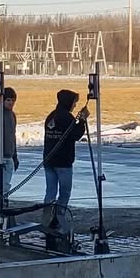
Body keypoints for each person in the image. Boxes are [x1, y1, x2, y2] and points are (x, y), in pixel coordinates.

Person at [41, 89, 88, 243]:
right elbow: (76, 135)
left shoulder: (51, 116)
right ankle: (59, 220)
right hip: (63, 162)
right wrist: (82, 120)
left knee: (50, 192)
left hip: (49, 161)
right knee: (65, 192)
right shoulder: (66, 118)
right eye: (74, 102)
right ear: (68, 102)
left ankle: (46, 220)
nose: (75, 105)